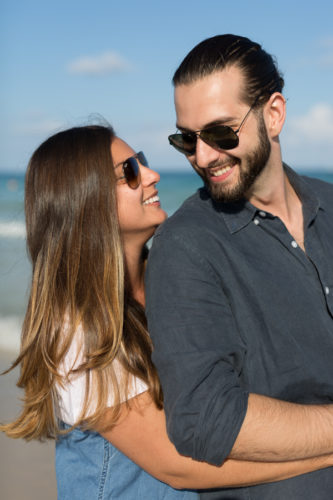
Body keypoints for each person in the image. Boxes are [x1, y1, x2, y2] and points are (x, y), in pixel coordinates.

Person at [1, 125, 332, 500]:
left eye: (140, 161)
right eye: (128, 171)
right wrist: (322, 455)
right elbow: (177, 465)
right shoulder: (76, 330)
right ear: (84, 200)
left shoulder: (169, 276)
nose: (151, 174)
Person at [145, 34, 333, 499]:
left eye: (221, 132)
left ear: (274, 114)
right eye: (187, 140)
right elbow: (205, 421)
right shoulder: (184, 247)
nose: (203, 157)